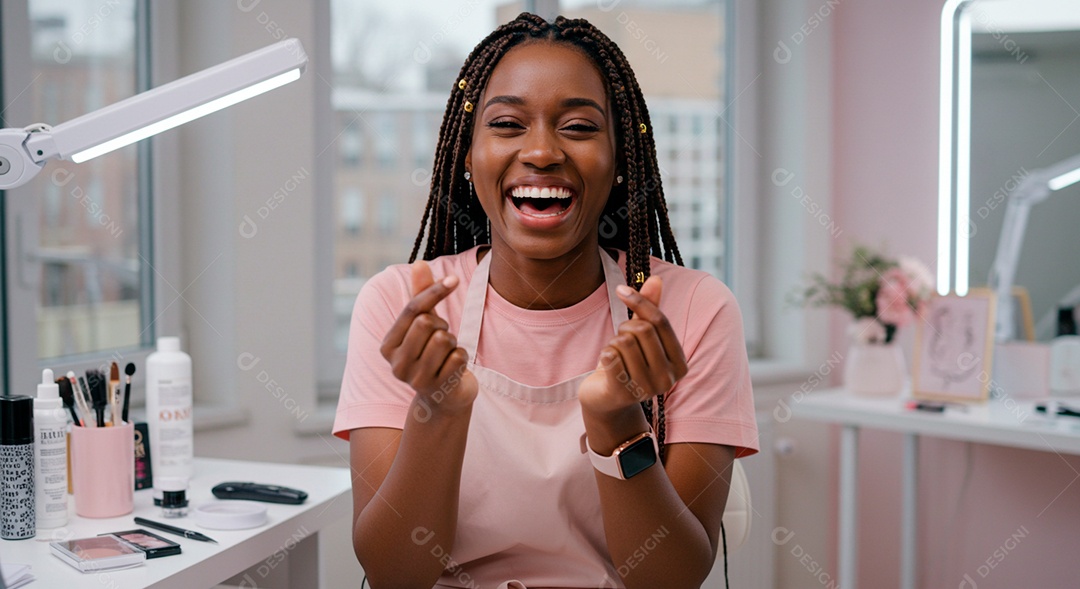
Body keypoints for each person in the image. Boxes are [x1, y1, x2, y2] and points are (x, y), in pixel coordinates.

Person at [333, 12, 758, 589]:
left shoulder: (695, 312)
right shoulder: (401, 305)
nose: (541, 152)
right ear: (466, 152)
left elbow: (673, 577)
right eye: (507, 123)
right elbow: (393, 572)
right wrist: (440, 409)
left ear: (620, 160)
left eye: (579, 127)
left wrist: (617, 421)